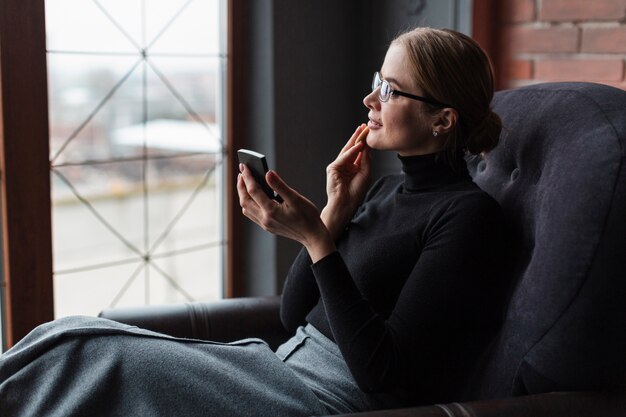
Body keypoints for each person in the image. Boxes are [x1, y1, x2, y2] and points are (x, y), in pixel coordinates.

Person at [0, 27, 509, 416]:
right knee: (67, 334)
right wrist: (333, 212)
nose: (370, 100)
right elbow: (294, 315)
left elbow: (382, 372)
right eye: (378, 82)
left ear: (443, 119)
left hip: (322, 399)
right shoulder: (381, 190)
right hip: (278, 364)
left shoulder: (467, 218)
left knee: (94, 358)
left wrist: (314, 237)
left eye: (392, 91)